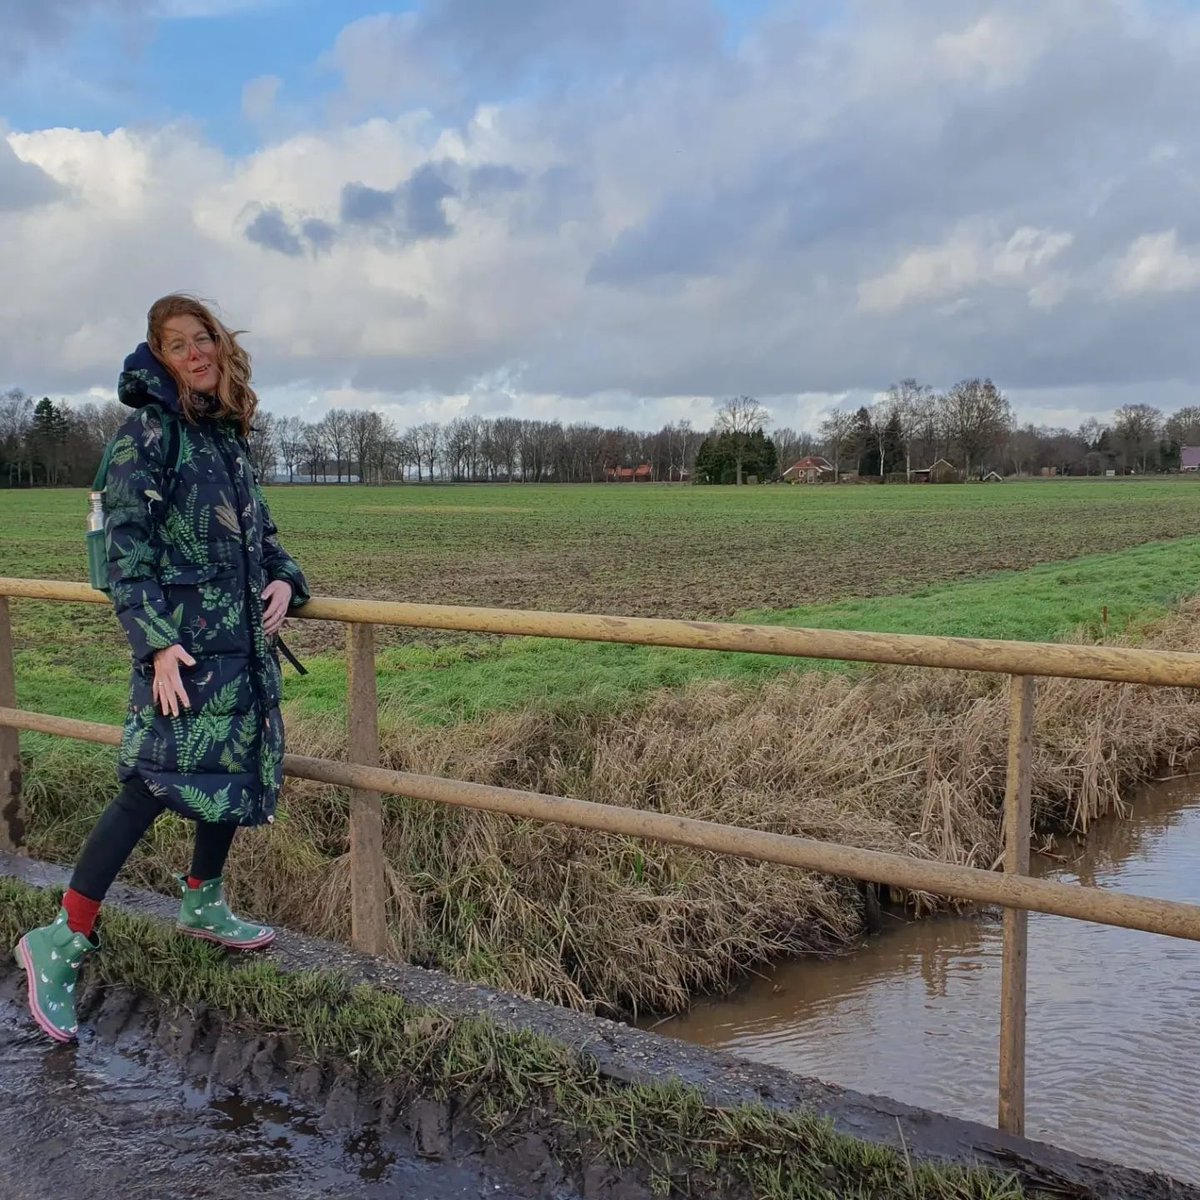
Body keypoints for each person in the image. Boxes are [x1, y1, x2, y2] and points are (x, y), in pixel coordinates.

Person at [13, 294, 309, 1043]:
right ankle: (60, 939)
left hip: (238, 644)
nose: (197, 352)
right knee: (149, 783)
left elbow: (261, 534)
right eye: (178, 345)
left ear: (220, 344)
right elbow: (124, 548)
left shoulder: (226, 437)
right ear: (159, 358)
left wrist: (284, 580)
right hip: (181, 649)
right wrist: (153, 642)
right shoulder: (147, 435)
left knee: (230, 770)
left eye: (202, 336)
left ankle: (203, 900)